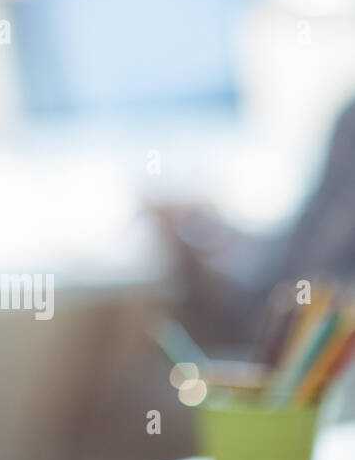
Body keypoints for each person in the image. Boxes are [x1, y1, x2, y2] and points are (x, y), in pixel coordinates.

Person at [152, 96, 355, 354]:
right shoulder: (350, 120)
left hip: (299, 337)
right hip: (279, 313)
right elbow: (303, 245)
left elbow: (314, 269)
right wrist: (221, 238)